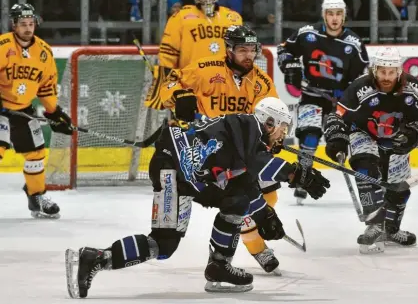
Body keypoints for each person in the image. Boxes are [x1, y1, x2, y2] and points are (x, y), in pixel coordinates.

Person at [65, 97, 331, 297]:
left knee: (229, 204)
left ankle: (217, 266)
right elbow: (260, 163)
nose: (283, 135)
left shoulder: (252, 140)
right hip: (173, 168)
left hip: (191, 177)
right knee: (167, 241)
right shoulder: (247, 126)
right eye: (282, 129)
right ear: (268, 122)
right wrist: (297, 175)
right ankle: (99, 257)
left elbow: (246, 186)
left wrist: (265, 216)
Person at [147, 25, 285, 275]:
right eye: (242, 50)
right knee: (173, 236)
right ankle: (253, 248)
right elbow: (169, 83)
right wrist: (179, 96)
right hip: (204, 155)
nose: (248, 56)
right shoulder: (204, 69)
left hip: (242, 154)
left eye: (252, 50)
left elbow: (271, 113)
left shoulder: (261, 82)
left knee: (268, 195)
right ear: (229, 50)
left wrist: (273, 135)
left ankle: (244, 250)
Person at [323, 47, 418, 254]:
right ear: (375, 70)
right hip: (363, 133)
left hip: (395, 138)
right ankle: (374, 223)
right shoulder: (359, 88)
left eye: (391, 72)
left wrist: (412, 134)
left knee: (399, 190)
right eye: (383, 72)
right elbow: (337, 116)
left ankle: (391, 229)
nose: (387, 77)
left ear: (399, 71)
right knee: (366, 166)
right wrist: (336, 139)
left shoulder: (412, 87)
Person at [277, 0, 369, 205]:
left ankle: (368, 184)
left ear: (344, 16)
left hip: (339, 100)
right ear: (324, 15)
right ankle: (303, 178)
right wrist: (289, 66)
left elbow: (361, 78)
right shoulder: (307, 33)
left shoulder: (353, 43)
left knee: (343, 141)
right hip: (312, 95)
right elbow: (284, 49)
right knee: (309, 136)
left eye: (338, 14)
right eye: (330, 13)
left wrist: (348, 94)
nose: (334, 18)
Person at [0, 3, 73, 219]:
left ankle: (36, 197)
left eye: (31, 24)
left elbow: (46, 87)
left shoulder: (44, 52)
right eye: (23, 24)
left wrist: (54, 113)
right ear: (14, 25)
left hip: (23, 110)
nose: (27, 28)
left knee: (36, 154)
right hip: (1, 109)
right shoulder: (2, 46)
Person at [149, 0, 242, 96]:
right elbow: (168, 54)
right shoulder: (181, 17)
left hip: (223, 85)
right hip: (191, 84)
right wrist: (166, 79)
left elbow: (240, 54)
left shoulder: (232, 18)